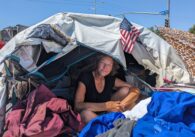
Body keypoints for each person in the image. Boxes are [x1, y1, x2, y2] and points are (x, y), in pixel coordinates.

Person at [74, 55, 140, 124]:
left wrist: (122, 104)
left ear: (112, 67)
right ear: (97, 63)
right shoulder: (86, 77)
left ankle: (110, 124)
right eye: (103, 63)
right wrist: (107, 106)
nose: (105, 67)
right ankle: (107, 126)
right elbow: (77, 106)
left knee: (126, 90)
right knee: (85, 114)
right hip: (92, 114)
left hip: (106, 112)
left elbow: (135, 89)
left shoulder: (110, 78)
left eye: (109, 65)